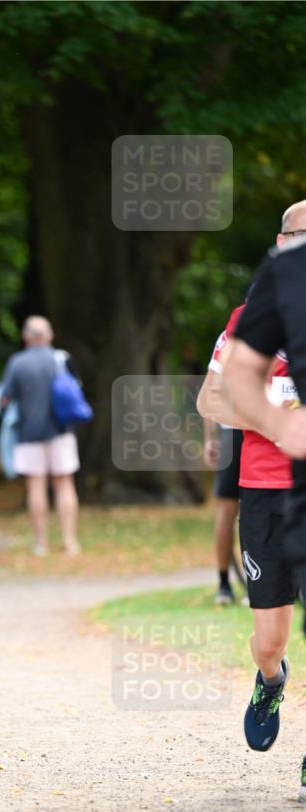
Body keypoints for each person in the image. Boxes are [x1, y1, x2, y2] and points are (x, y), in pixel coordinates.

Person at [197, 202, 306, 763]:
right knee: (270, 642)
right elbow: (211, 400)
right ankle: (271, 682)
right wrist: (282, 416)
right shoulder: (251, 317)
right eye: (300, 236)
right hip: (263, 490)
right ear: (280, 242)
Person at [1, 316, 81, 556]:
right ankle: (69, 541)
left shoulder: (17, 363)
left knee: (36, 486)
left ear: (25, 337)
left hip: (28, 433)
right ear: (49, 336)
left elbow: (4, 400)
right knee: (65, 483)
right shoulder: (61, 359)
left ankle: (41, 544)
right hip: (61, 431)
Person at [202, 417, 243, 604]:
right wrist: (210, 438)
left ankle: (226, 586)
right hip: (241, 428)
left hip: (238, 430)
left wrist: (210, 438)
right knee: (229, 509)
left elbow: (210, 392)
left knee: (231, 509)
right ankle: (225, 583)